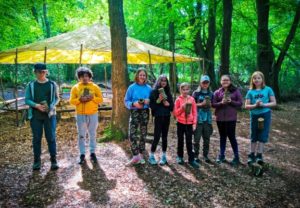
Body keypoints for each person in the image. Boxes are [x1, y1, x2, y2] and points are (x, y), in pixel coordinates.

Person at [25, 63, 59, 170]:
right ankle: (36, 161)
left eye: (43, 71)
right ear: (34, 72)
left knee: (51, 138)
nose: (41, 74)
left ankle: (53, 160)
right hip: (35, 116)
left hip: (50, 116)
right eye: (39, 72)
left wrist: (52, 106)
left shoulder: (53, 84)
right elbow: (27, 99)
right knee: (36, 139)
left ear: (46, 72)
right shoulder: (31, 85)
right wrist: (36, 106)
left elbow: (57, 98)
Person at [69, 67, 103, 164]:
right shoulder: (75, 88)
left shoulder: (95, 87)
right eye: (83, 76)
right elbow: (71, 101)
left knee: (92, 134)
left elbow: (100, 100)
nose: (85, 78)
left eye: (87, 76)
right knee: (81, 135)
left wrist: (92, 98)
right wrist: (79, 100)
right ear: (79, 77)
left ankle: (92, 153)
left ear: (90, 77)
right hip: (80, 115)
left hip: (93, 114)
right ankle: (82, 154)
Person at [245, 71, 276, 165]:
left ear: (262, 79)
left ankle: (259, 155)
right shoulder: (250, 91)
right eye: (254, 78)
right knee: (254, 134)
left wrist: (263, 104)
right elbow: (246, 105)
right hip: (254, 115)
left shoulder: (268, 89)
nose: (256, 80)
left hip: (265, 114)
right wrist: (255, 105)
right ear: (252, 80)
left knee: (262, 134)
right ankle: (251, 155)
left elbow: (274, 103)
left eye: (259, 78)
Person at [212, 74, 243, 165]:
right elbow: (213, 104)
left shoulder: (235, 91)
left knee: (232, 137)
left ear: (230, 81)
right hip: (220, 118)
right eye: (223, 80)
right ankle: (221, 155)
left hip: (231, 118)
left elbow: (240, 103)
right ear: (220, 81)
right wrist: (221, 103)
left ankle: (236, 157)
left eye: (227, 80)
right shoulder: (217, 92)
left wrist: (231, 102)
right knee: (222, 137)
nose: (225, 82)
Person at [124, 68, 152, 165]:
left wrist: (148, 102)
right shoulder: (131, 87)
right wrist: (133, 104)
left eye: (144, 75)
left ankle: (141, 155)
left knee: (143, 135)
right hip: (134, 112)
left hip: (145, 112)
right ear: (137, 76)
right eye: (140, 75)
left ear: (146, 77)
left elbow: (153, 102)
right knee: (132, 134)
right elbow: (126, 101)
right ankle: (135, 156)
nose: (142, 77)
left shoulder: (149, 88)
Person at [148, 75, 174, 165]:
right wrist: (159, 100)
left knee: (165, 137)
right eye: (162, 80)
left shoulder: (168, 92)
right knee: (157, 136)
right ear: (158, 81)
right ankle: (151, 155)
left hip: (166, 117)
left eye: (165, 81)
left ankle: (163, 156)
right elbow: (152, 106)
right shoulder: (154, 92)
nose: (163, 82)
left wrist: (168, 104)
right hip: (158, 117)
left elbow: (172, 107)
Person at [173, 82, 200, 168]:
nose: (185, 91)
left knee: (189, 141)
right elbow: (175, 113)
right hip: (180, 123)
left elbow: (195, 112)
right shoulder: (178, 100)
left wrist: (194, 123)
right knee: (180, 140)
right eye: (183, 89)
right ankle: (180, 157)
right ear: (180, 90)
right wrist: (182, 108)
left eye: (187, 89)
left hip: (189, 124)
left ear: (189, 90)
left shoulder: (192, 99)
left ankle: (191, 159)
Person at [192, 75, 213, 163]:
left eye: (207, 82)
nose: (205, 84)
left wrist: (210, 104)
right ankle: (196, 155)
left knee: (206, 138)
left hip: (207, 118)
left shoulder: (211, 93)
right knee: (196, 138)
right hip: (198, 118)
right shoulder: (196, 93)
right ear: (200, 83)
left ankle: (205, 155)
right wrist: (201, 104)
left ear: (209, 83)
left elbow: (214, 104)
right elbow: (192, 104)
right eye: (203, 82)